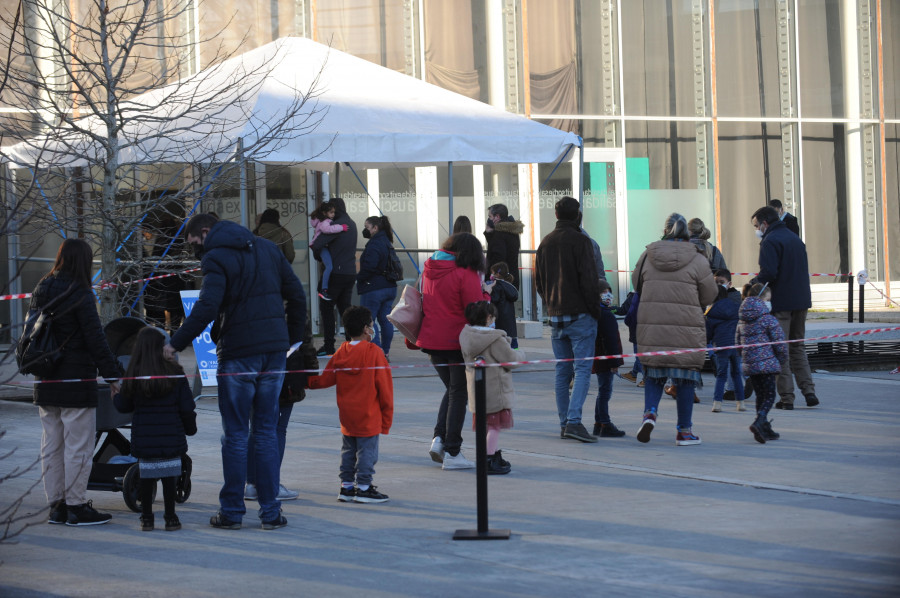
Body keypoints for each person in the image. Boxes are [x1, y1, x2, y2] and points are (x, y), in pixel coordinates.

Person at [165, 212, 306, 531]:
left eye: (194, 244)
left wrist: (175, 343)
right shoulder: (268, 248)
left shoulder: (216, 257)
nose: (196, 251)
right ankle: (270, 512)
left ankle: (232, 511)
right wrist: (292, 340)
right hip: (273, 352)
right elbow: (296, 294)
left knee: (237, 435)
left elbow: (207, 306)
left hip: (239, 353)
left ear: (204, 231)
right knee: (267, 431)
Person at [30, 239, 122, 527]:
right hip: (76, 381)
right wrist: (114, 376)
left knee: (52, 444)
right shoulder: (80, 293)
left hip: (46, 379)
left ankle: (56, 505)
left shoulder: (42, 286)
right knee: (78, 446)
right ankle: (76, 506)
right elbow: (96, 340)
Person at [633, 213, 718, 446]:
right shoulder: (698, 259)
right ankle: (684, 431)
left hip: (652, 323)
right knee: (686, 378)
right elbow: (710, 294)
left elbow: (636, 284)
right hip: (686, 326)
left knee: (653, 372)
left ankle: (649, 413)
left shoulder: (647, 255)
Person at [418, 232, 492, 470]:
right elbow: (476, 310)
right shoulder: (465, 273)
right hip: (456, 341)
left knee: (453, 390)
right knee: (459, 393)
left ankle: (439, 440)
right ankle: (453, 451)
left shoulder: (430, 269)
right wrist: (487, 293)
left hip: (431, 340)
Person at [534, 196, 603, 443]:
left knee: (563, 370)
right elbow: (588, 279)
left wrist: (551, 304)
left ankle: (565, 422)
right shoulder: (581, 241)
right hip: (580, 315)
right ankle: (574, 422)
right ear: (578, 216)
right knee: (582, 369)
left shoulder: (545, 242)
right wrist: (595, 309)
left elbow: (539, 282)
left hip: (556, 315)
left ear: (556, 215)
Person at [114, 326, 197, 532]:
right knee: (170, 477)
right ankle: (170, 518)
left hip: (145, 438)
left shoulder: (134, 375)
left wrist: (115, 395)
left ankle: (147, 518)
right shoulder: (175, 374)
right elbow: (187, 407)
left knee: (147, 476)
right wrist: (190, 428)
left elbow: (124, 406)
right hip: (171, 437)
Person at [308, 306, 393, 503]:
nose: (373, 328)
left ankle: (346, 486)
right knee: (367, 452)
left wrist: (307, 381)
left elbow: (325, 380)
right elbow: (386, 390)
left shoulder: (341, 352)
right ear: (366, 329)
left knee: (348, 451)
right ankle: (363, 487)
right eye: (372, 325)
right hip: (369, 415)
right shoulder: (375, 353)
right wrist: (386, 421)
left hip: (347, 415)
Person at [751, 206, 819, 409]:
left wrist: (752, 284)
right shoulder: (794, 238)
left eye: (756, 226)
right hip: (801, 300)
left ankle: (787, 398)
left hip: (781, 302)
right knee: (797, 346)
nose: (756, 230)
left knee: (780, 349)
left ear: (765, 223)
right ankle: (809, 392)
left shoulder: (770, 241)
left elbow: (769, 273)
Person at [459, 301, 520, 475]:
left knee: (485, 426)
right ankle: (489, 458)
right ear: (488, 318)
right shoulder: (495, 339)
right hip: (495, 392)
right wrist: (521, 354)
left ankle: (488, 454)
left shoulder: (466, 336)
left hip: (477, 391)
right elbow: (511, 359)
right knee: (494, 427)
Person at [736, 283, 787, 443]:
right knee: (770, 395)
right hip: (767, 364)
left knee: (760, 395)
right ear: (762, 299)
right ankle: (760, 421)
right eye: (768, 299)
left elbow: (737, 343)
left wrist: (746, 357)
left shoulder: (742, 320)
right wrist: (782, 358)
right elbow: (779, 341)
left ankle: (764, 428)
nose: (769, 303)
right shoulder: (768, 319)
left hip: (750, 364)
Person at [311, 197, 358, 356]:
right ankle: (351, 345)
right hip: (350, 272)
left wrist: (320, 255)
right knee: (346, 310)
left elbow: (317, 245)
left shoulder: (334, 225)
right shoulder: (352, 224)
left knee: (327, 309)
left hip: (334, 274)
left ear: (335, 209)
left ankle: (329, 346)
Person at [357, 215, 399, 360]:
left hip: (374, 288)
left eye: (367, 227)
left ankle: (377, 353)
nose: (365, 230)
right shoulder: (386, 241)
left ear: (375, 228)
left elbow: (370, 266)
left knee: (369, 321)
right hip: (389, 287)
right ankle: (385, 352)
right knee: (385, 320)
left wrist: (358, 278)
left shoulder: (375, 244)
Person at [591, 280, 626, 438]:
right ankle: (605, 423)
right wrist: (614, 362)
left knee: (602, 391)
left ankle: (599, 423)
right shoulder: (606, 315)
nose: (608, 295)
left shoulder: (596, 313)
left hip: (598, 358)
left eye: (608, 291)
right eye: (604, 292)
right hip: (606, 360)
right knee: (605, 392)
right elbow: (610, 341)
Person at [705, 285, 745, 413]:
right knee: (736, 374)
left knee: (722, 375)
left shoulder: (712, 312)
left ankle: (717, 403)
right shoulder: (736, 307)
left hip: (722, 345)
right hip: (737, 344)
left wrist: (706, 342)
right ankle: (741, 403)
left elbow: (708, 332)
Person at [713, 268, 743, 401]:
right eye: (716, 283)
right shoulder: (720, 298)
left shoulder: (732, 299)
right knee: (734, 371)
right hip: (731, 340)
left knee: (724, 373)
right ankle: (736, 395)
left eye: (722, 282)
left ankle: (721, 398)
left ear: (729, 284)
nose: (719, 285)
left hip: (727, 341)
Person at [309, 201, 348, 301]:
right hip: (321, 246)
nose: (333, 215)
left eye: (334, 212)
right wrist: (341, 227)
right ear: (324, 213)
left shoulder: (321, 220)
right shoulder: (324, 221)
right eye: (331, 212)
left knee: (327, 266)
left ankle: (324, 287)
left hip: (319, 246)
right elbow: (327, 229)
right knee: (329, 266)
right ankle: (324, 290)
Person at [484, 203, 524, 289]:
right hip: (511, 279)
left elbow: (497, 257)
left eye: (490, 216)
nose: (488, 219)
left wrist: (490, 277)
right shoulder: (512, 232)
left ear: (497, 217)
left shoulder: (499, 234)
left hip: (500, 283)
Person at [488, 261, 519, 349]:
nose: (491, 275)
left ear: (497, 274)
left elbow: (493, 300)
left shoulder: (497, 286)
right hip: (510, 326)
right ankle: (515, 359)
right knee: (513, 346)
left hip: (500, 322)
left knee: (501, 347)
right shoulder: (510, 286)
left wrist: (487, 292)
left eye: (492, 273)